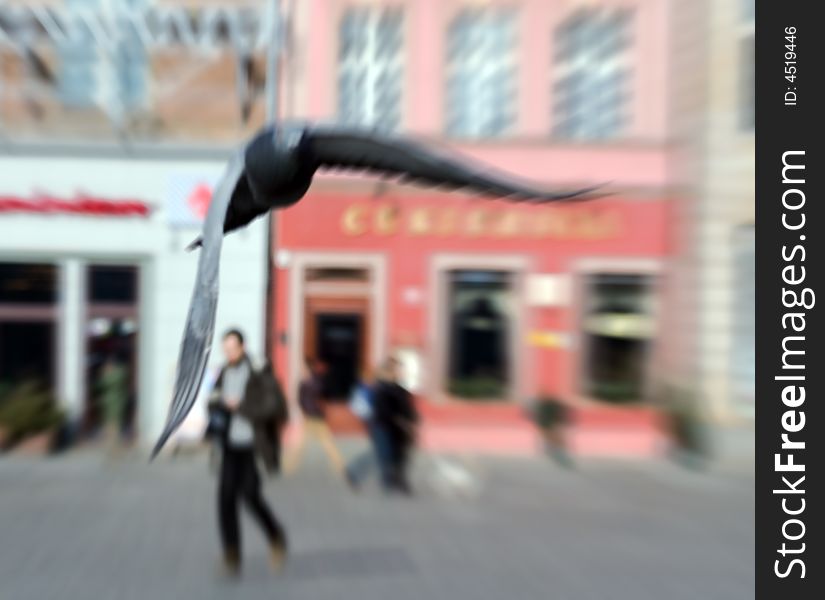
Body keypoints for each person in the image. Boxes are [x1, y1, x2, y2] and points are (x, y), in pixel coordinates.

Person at [207, 329, 288, 577]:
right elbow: (214, 400)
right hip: (230, 446)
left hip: (253, 447)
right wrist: (215, 404)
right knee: (225, 500)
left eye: (233, 348)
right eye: (226, 349)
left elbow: (274, 407)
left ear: (243, 346)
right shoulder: (223, 371)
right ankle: (232, 555)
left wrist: (240, 406)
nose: (229, 353)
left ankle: (276, 536)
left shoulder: (259, 371)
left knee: (250, 497)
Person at [282, 357, 345, 477]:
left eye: (303, 368)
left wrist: (305, 410)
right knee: (308, 442)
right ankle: (339, 464)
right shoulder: (316, 381)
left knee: (307, 442)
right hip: (314, 414)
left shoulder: (308, 382)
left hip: (313, 415)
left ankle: (289, 465)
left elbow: (302, 399)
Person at [372, 356, 418, 494]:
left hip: (401, 430)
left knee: (401, 456)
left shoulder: (402, 390)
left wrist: (413, 421)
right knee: (386, 456)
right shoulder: (382, 389)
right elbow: (382, 411)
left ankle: (399, 480)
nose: (401, 372)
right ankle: (389, 481)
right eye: (398, 370)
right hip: (385, 428)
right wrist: (399, 420)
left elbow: (409, 409)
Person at [344, 367, 392, 491]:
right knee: (380, 453)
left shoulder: (369, 389)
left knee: (379, 452)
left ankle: (354, 472)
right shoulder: (370, 390)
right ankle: (354, 471)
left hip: (375, 423)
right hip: (377, 424)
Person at [96, 354, 129, 455]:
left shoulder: (117, 373)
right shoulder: (119, 372)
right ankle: (112, 446)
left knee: (114, 425)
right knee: (111, 424)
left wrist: (105, 374)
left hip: (115, 403)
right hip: (110, 403)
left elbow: (105, 383)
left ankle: (114, 447)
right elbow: (100, 384)